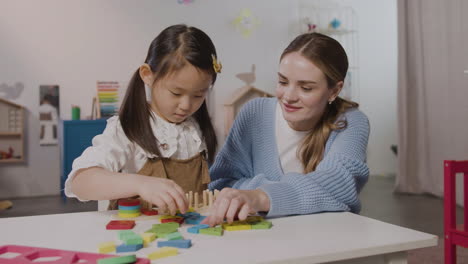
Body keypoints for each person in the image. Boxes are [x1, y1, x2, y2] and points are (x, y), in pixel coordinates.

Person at [203, 32, 370, 226]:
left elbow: (339, 185)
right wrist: (302, 196)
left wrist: (259, 196)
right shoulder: (254, 113)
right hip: (262, 238)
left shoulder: (351, 122)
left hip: (326, 235)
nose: (289, 96)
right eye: (283, 82)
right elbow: (221, 184)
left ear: (334, 90)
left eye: (306, 88)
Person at [65, 24, 221, 215]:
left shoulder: (197, 129)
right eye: (176, 92)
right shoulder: (128, 128)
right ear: (148, 75)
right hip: (140, 235)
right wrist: (140, 184)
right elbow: (80, 181)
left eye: (198, 95)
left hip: (191, 236)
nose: (186, 105)